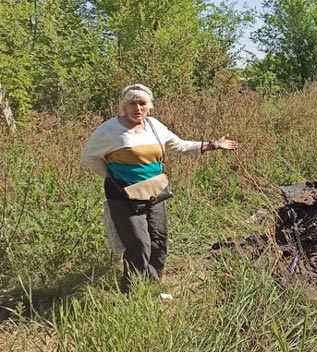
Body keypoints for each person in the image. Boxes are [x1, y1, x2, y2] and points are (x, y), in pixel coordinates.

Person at [81, 83, 237, 292]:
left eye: (142, 103)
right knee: (139, 244)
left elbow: (179, 146)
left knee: (158, 241)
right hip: (124, 196)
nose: (137, 108)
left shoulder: (154, 126)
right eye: (132, 103)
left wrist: (212, 145)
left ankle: (152, 287)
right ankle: (131, 292)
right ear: (123, 106)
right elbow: (89, 158)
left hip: (155, 192)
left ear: (149, 106)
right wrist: (113, 176)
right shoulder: (109, 130)